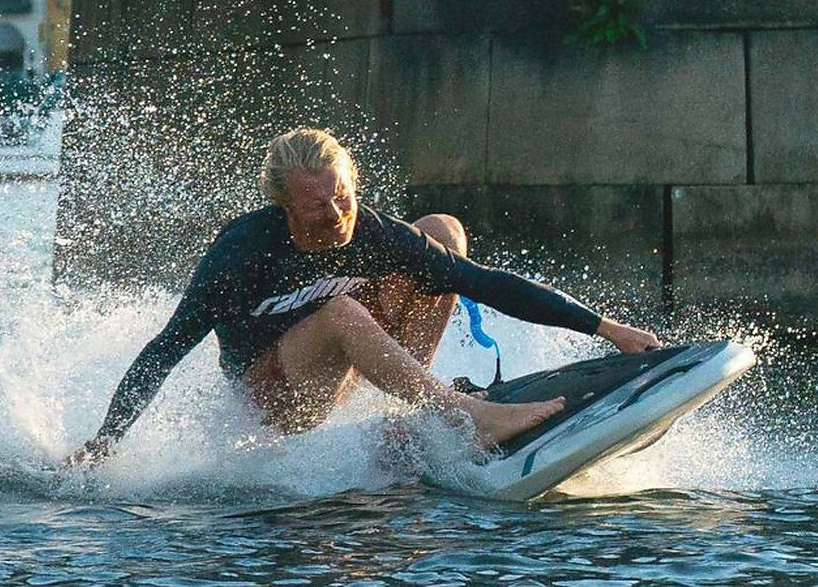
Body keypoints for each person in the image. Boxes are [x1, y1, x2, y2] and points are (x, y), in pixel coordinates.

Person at [66, 128, 660, 466]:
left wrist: (605, 328)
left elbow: (488, 283)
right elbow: (165, 349)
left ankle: (410, 410)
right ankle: (461, 415)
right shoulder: (242, 252)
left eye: (343, 198)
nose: (336, 216)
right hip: (270, 395)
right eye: (316, 208)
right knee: (341, 311)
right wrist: (106, 441)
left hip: (346, 366)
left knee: (442, 238)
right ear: (285, 209)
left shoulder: (369, 230)